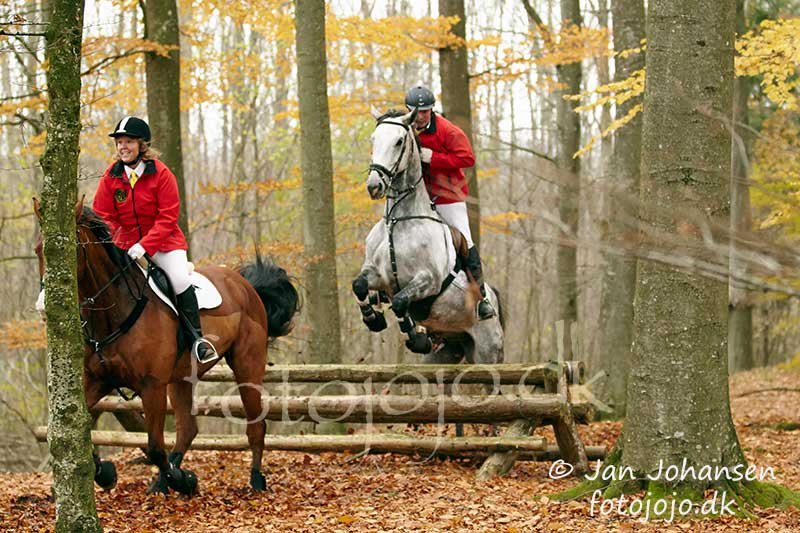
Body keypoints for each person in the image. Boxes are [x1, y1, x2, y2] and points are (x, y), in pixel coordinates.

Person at [92, 116, 218, 363]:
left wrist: (145, 245)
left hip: (164, 244)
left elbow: (168, 216)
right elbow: (103, 215)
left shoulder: (161, 174)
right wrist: (122, 241)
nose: (123, 147)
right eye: (119, 142)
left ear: (142, 144)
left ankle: (197, 340)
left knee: (179, 280)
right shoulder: (111, 176)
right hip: (125, 245)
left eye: (128, 141)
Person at [405, 85, 496, 320]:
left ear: (431, 110)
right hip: (417, 197)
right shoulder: (404, 128)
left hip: (447, 196)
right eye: (416, 111)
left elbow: (467, 158)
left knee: (465, 239)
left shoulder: (448, 130)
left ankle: (481, 298)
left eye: (425, 111)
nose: (420, 116)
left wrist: (434, 158)